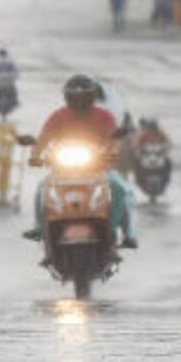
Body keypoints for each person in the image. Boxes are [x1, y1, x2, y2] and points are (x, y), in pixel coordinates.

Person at [22, 75, 139, 256]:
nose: (78, 101)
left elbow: (113, 139)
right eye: (74, 97)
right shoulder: (58, 116)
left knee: (119, 188)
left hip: (97, 169)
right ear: (67, 98)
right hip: (62, 170)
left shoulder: (104, 116)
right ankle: (39, 229)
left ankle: (124, 231)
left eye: (83, 97)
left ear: (91, 97)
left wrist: (113, 152)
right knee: (41, 189)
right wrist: (36, 155)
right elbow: (43, 139)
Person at [134, 117, 173, 186]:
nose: (153, 129)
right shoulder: (144, 134)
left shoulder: (160, 133)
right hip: (147, 154)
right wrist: (140, 148)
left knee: (168, 162)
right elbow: (137, 143)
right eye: (151, 127)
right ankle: (138, 178)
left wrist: (166, 148)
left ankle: (166, 178)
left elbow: (168, 142)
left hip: (158, 153)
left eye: (154, 127)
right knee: (137, 162)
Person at [0, 47, 19, 116]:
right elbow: (16, 72)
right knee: (14, 92)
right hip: (7, 82)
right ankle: (16, 102)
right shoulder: (10, 61)